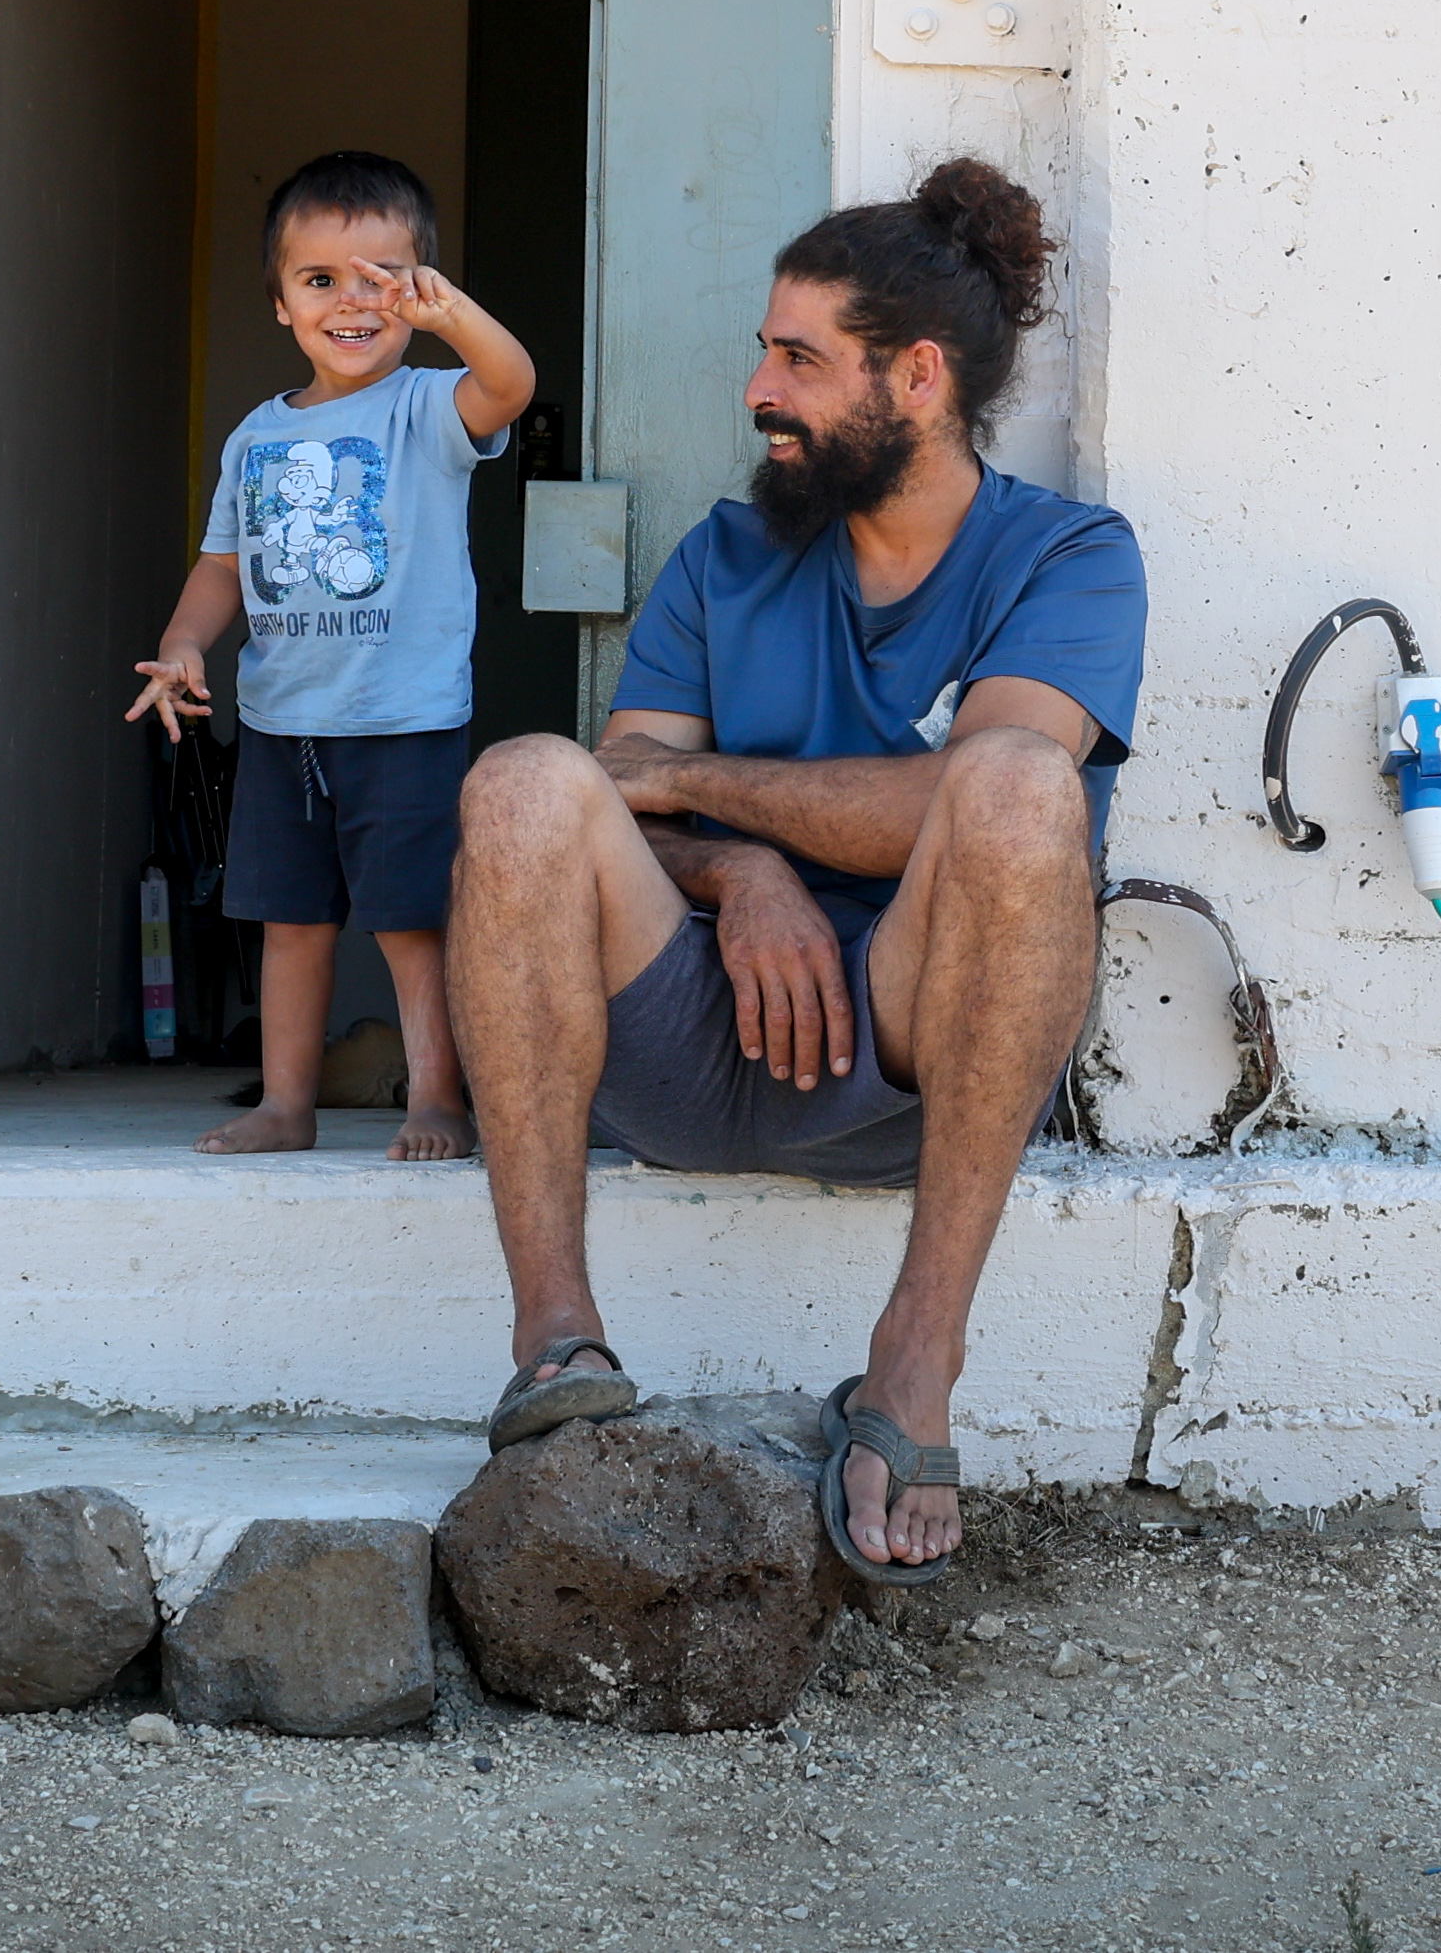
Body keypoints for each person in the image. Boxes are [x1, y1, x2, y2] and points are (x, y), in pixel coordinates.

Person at [445, 157, 1144, 1583]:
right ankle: (552, 1342)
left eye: (798, 359)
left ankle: (910, 1361)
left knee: (1016, 784)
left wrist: (710, 792)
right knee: (521, 783)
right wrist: (742, 874)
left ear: (917, 378)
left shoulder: (1068, 556)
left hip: (907, 1055)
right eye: (764, 350)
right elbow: (613, 801)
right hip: (693, 1036)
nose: (758, 390)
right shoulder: (725, 554)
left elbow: (950, 805)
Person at [129, 152, 534, 1161]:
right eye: (319, 280)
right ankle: (286, 1102)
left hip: (403, 719)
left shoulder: (426, 410)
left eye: (379, 277)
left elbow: (511, 382)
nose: (350, 302)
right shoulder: (256, 435)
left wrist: (455, 318)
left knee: (410, 921)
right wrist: (184, 643)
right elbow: (222, 562)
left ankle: (435, 1095)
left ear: (419, 288)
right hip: (279, 720)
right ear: (279, 302)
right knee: (289, 920)